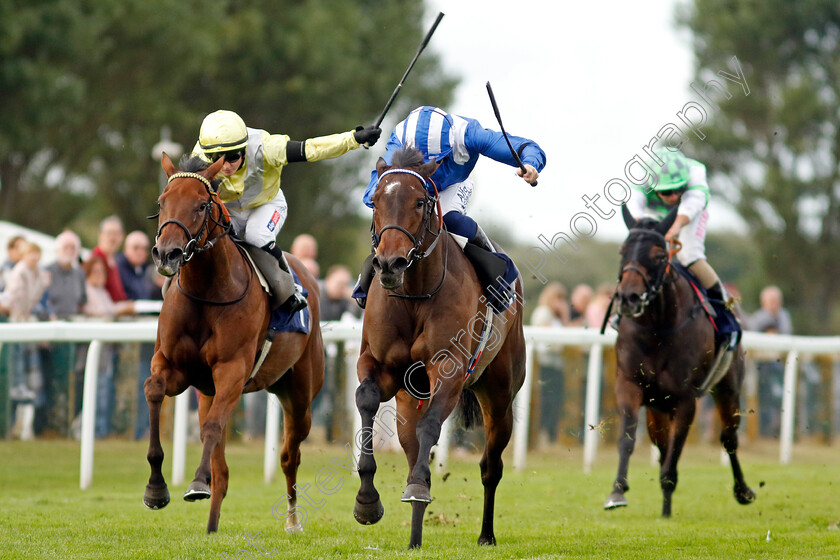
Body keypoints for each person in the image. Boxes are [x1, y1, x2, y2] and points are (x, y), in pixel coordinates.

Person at [355, 105, 546, 312]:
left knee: (448, 219)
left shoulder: (468, 134)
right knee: (394, 218)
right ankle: (368, 275)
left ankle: (498, 275)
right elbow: (374, 191)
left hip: (455, 182)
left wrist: (531, 164)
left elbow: (526, 147)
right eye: (421, 161)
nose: (428, 166)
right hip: (412, 188)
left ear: (450, 145)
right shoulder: (401, 139)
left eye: (433, 161)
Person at [190, 110, 381, 313]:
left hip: (266, 204)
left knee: (257, 236)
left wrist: (354, 139)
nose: (226, 166)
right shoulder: (199, 158)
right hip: (229, 209)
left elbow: (313, 149)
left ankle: (289, 290)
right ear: (206, 154)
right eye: (217, 159)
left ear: (244, 149)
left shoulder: (267, 147)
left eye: (233, 157)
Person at [627, 147, 740, 364]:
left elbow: (691, 203)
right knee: (639, 250)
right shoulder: (640, 177)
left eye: (678, 189)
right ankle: (626, 307)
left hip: (690, 213)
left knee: (689, 254)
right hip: (652, 211)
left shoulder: (696, 171)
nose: (674, 196)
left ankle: (726, 314)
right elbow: (635, 212)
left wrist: (675, 226)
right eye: (667, 192)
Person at [81, 255, 134, 438]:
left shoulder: (102, 292)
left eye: (102, 271)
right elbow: (92, 311)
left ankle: (101, 430)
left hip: (106, 351)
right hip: (90, 352)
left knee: (105, 388)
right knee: (97, 389)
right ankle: (93, 430)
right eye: (95, 271)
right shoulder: (86, 290)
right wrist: (121, 309)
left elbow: (109, 308)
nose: (100, 275)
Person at [115, 231, 160, 439]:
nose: (141, 252)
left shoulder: (145, 272)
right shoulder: (118, 268)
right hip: (120, 342)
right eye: (136, 248)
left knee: (145, 382)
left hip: (142, 344)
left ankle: (139, 430)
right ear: (126, 249)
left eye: (144, 248)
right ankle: (122, 429)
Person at [4, 242, 50, 439]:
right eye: (31, 254)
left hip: (28, 324)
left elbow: (35, 301)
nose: (34, 258)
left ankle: (25, 428)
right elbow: (15, 299)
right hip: (15, 325)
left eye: (36, 254)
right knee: (16, 378)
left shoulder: (39, 274)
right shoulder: (19, 272)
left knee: (31, 378)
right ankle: (14, 427)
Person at [747, 285, 793, 437]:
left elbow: (786, 336)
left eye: (777, 300)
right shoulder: (758, 318)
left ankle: (776, 430)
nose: (775, 304)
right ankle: (763, 431)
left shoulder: (784, 316)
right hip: (761, 368)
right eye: (771, 300)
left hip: (779, 367)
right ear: (764, 302)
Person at [530, 282, 569, 445]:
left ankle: (550, 435)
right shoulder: (543, 313)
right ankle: (543, 435)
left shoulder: (554, 315)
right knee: (546, 401)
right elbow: (552, 344)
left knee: (556, 401)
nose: (560, 302)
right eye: (558, 298)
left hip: (555, 365)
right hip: (544, 364)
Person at [91, 216, 128, 303]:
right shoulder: (95, 260)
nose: (112, 238)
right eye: (109, 233)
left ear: (122, 237)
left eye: (116, 233)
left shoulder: (115, 261)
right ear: (100, 235)